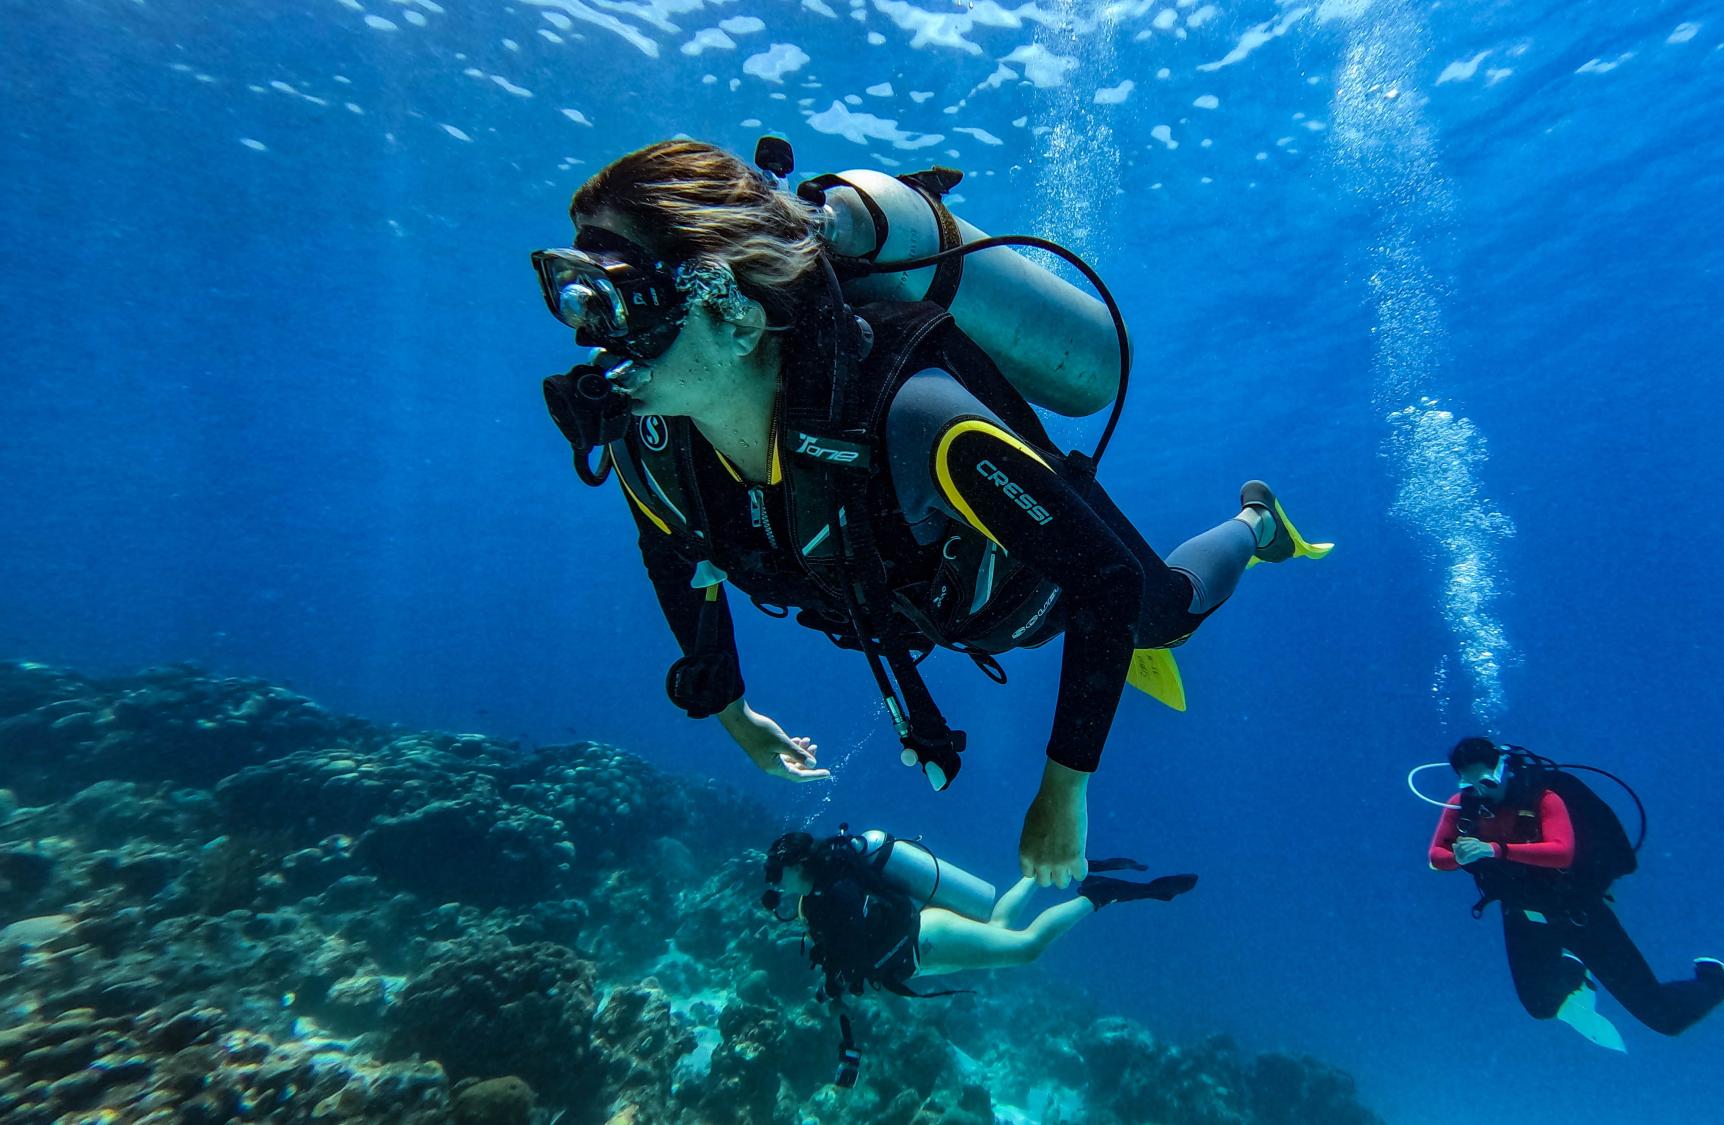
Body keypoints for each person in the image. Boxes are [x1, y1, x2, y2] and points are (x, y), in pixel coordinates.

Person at [531, 138, 1329, 887]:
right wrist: (732, 711)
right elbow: (676, 552)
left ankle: (1257, 523)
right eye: (579, 301)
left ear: (733, 312)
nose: (596, 343)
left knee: (1165, 616)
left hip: (1039, 578)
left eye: (620, 302)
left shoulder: (913, 416)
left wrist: (1064, 793)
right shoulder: (651, 444)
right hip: (944, 603)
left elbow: (1105, 582)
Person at [1427, 737, 1724, 1052]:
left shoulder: (1544, 796)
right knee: (1541, 1007)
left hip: (1578, 913)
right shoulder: (1463, 806)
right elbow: (1436, 857)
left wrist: (1494, 850)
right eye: (1470, 785)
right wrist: (1460, 855)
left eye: (1487, 781)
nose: (1480, 792)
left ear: (1504, 768)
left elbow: (1562, 852)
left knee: (1663, 1018)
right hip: (1522, 916)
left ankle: (1720, 983)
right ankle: (1575, 976)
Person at [761, 830, 1195, 1000]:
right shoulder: (820, 895)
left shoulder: (832, 894)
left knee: (1026, 948)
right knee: (999, 927)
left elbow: (855, 945)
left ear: (798, 865)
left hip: (924, 941)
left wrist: (833, 965)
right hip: (919, 950)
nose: (778, 886)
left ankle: (1098, 895)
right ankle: (1050, 868)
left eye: (780, 875)